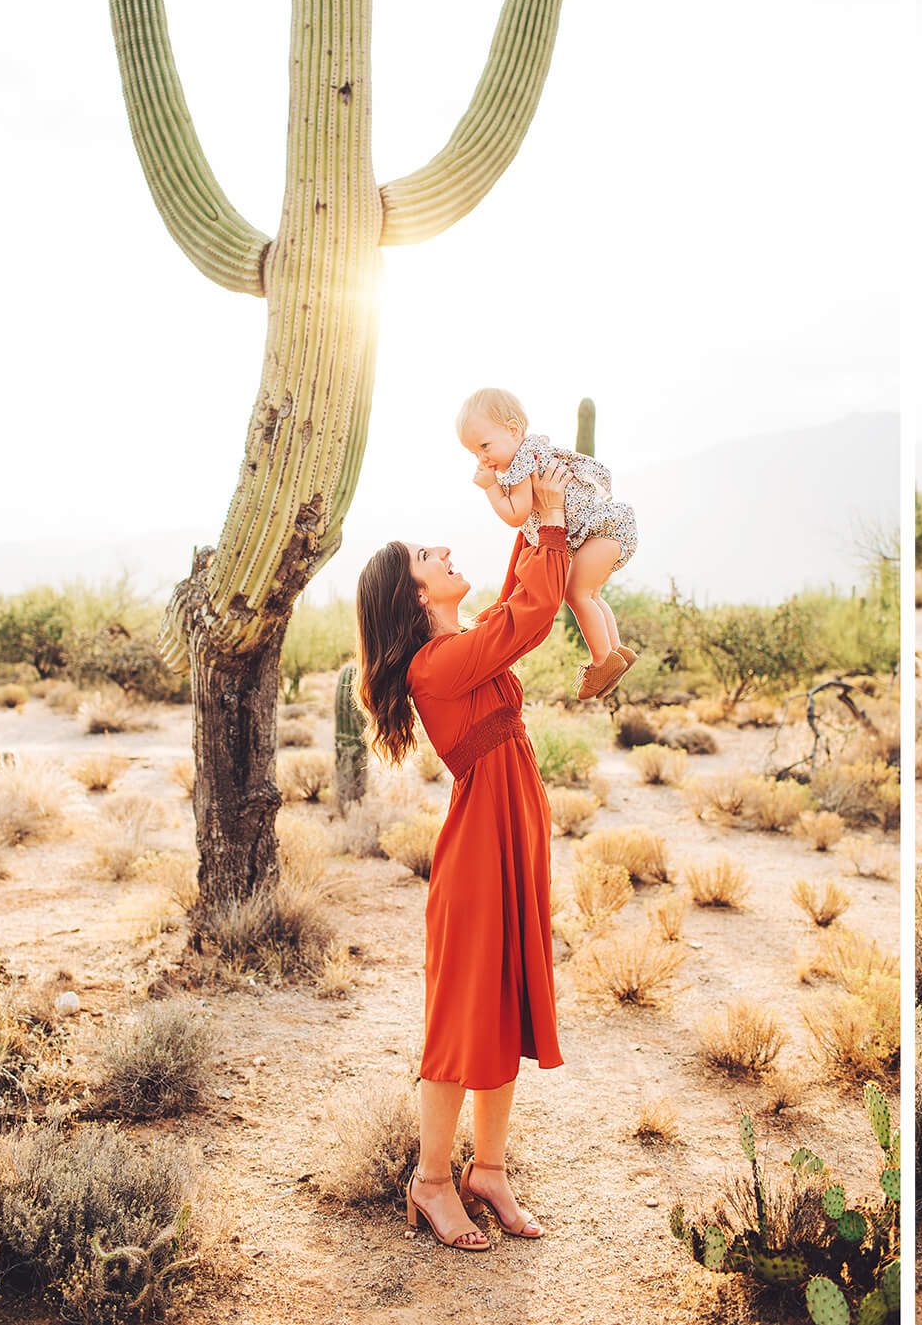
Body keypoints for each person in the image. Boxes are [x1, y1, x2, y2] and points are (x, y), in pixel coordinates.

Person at [353, 456, 578, 1251]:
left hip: (511, 832)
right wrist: (547, 523)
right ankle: (432, 1179)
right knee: (459, 1018)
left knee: (505, 1000)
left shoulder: (462, 645)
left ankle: (490, 1170)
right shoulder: (435, 665)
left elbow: (517, 603)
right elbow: (531, 617)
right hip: (480, 849)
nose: (442, 551)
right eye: (425, 557)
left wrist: (528, 521)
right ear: (415, 597)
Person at [457, 386, 639, 700]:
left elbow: (516, 514)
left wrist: (490, 489)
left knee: (576, 592)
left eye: (485, 446)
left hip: (601, 530)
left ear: (513, 430)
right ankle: (615, 653)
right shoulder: (533, 450)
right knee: (591, 593)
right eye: (475, 453)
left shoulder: (521, 466)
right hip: (612, 528)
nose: (483, 459)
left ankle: (601, 661)